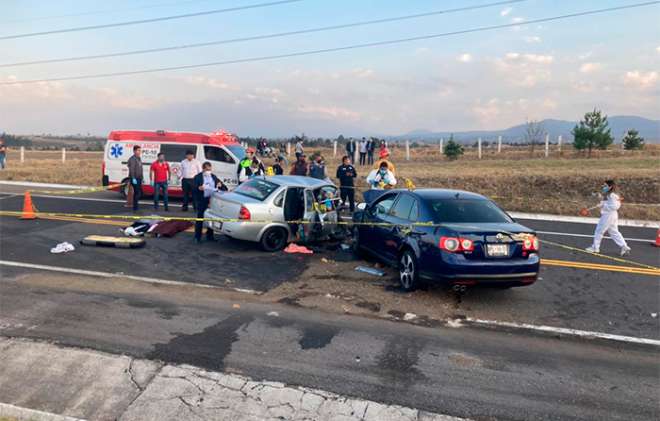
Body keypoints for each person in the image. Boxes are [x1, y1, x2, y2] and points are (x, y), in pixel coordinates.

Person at [586, 180, 631, 256]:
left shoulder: (612, 195)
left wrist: (604, 205)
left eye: (605, 185)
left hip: (608, 215)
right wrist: (602, 203)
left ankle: (595, 248)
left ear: (610, 187)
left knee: (599, 231)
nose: (603, 187)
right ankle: (624, 246)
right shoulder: (610, 194)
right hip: (611, 215)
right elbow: (608, 202)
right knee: (614, 232)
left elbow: (616, 206)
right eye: (603, 185)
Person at [193, 162, 227, 243]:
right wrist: (198, 188)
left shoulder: (213, 177)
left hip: (212, 200)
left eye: (210, 169)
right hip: (202, 200)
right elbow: (193, 189)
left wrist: (220, 185)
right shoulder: (198, 177)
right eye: (207, 169)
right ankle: (197, 237)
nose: (209, 171)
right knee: (200, 218)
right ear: (203, 169)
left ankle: (210, 236)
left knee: (211, 218)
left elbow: (224, 187)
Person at [127, 145, 144, 212]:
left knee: (138, 193)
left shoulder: (139, 158)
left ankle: (136, 207)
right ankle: (135, 208)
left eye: (140, 150)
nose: (139, 152)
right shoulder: (133, 159)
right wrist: (133, 178)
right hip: (135, 178)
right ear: (134, 151)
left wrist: (142, 177)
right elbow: (132, 169)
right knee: (137, 193)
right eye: (138, 150)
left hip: (139, 178)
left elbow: (140, 168)